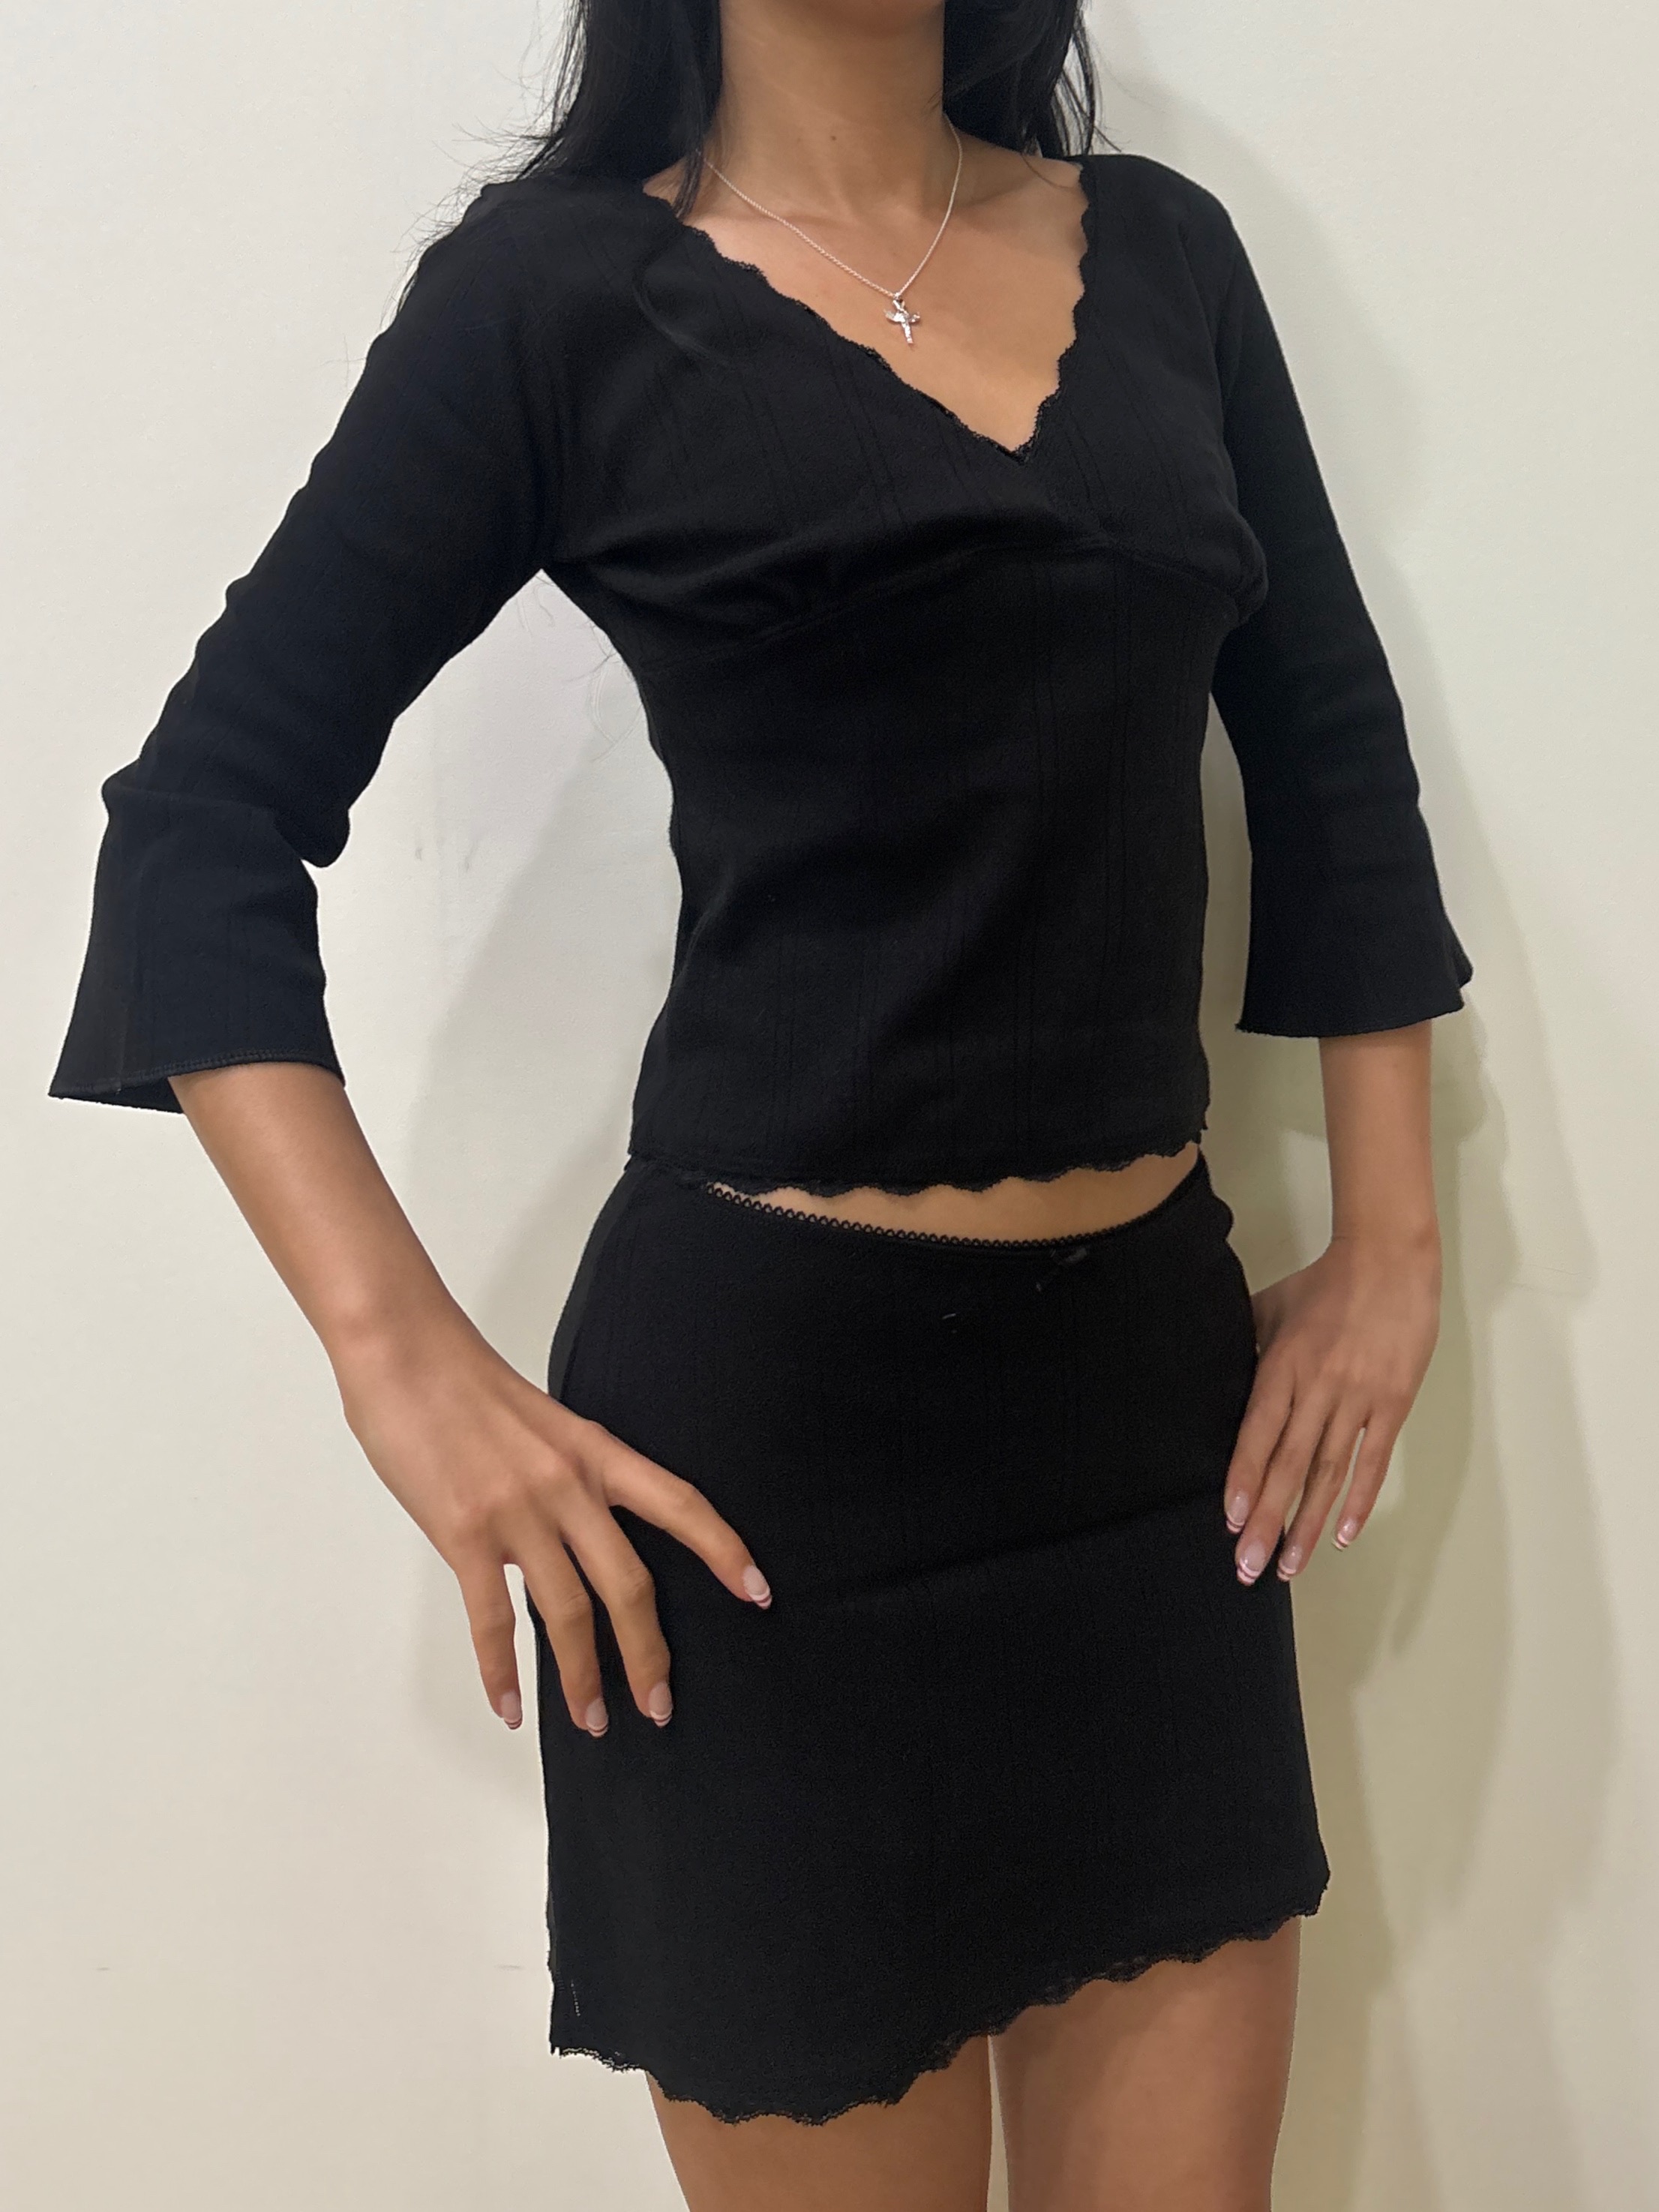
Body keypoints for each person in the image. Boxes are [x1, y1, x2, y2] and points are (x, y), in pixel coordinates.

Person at [48, 0, 1473, 2202]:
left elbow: (1330, 758)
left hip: (1150, 1446)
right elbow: (197, 829)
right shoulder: (550, 298)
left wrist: (1391, 1244)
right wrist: (397, 1362)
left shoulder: (1168, 256)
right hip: (764, 1493)